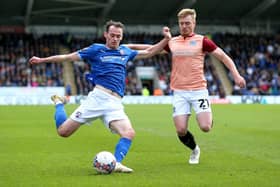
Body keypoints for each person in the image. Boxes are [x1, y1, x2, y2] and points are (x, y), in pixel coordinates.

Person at [29, 20, 171, 173]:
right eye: (112, 35)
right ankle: (59, 103)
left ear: (121, 37)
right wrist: (43, 60)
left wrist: (166, 39)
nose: (115, 39)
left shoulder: (125, 51)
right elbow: (68, 57)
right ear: (105, 35)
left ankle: (116, 163)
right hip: (98, 98)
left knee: (128, 133)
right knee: (63, 132)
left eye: (118, 36)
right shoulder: (95, 50)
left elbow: (150, 52)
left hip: (115, 102)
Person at [127, 9, 246, 164]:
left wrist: (236, 75)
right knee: (181, 130)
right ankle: (195, 150)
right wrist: (130, 46)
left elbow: (223, 57)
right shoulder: (173, 42)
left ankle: (208, 118)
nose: (184, 26)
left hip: (198, 91)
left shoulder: (203, 41)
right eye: (182, 23)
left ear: (194, 23)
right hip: (179, 92)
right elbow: (151, 49)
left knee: (205, 127)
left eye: (187, 23)